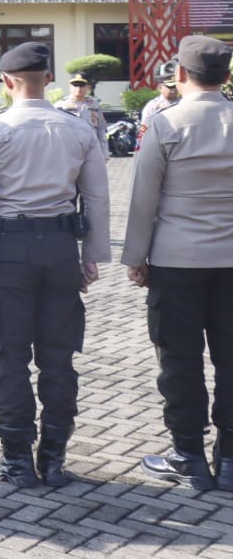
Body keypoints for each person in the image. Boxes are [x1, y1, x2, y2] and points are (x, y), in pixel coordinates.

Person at [0, 42, 110, 487]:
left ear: (6, 83)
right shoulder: (76, 128)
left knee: (10, 359)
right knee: (59, 360)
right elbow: (97, 197)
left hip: (11, 249)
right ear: (49, 78)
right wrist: (91, 255)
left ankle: (18, 462)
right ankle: (55, 459)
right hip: (61, 246)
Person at [124, 37, 233, 491]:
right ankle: (229, 461)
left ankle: (187, 454)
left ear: (182, 76)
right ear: (226, 76)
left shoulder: (166, 123)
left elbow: (143, 199)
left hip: (175, 261)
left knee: (180, 359)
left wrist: (135, 258)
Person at [56, 74, 107, 150]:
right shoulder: (60, 106)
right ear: (70, 87)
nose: (78, 88)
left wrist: (104, 151)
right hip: (69, 149)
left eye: (82, 85)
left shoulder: (94, 105)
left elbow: (101, 129)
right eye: (75, 85)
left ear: (88, 87)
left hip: (91, 148)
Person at [138, 70, 182, 142]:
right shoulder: (153, 106)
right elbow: (144, 126)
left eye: (175, 86)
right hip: (160, 141)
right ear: (160, 88)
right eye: (170, 86)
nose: (174, 89)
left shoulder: (183, 103)